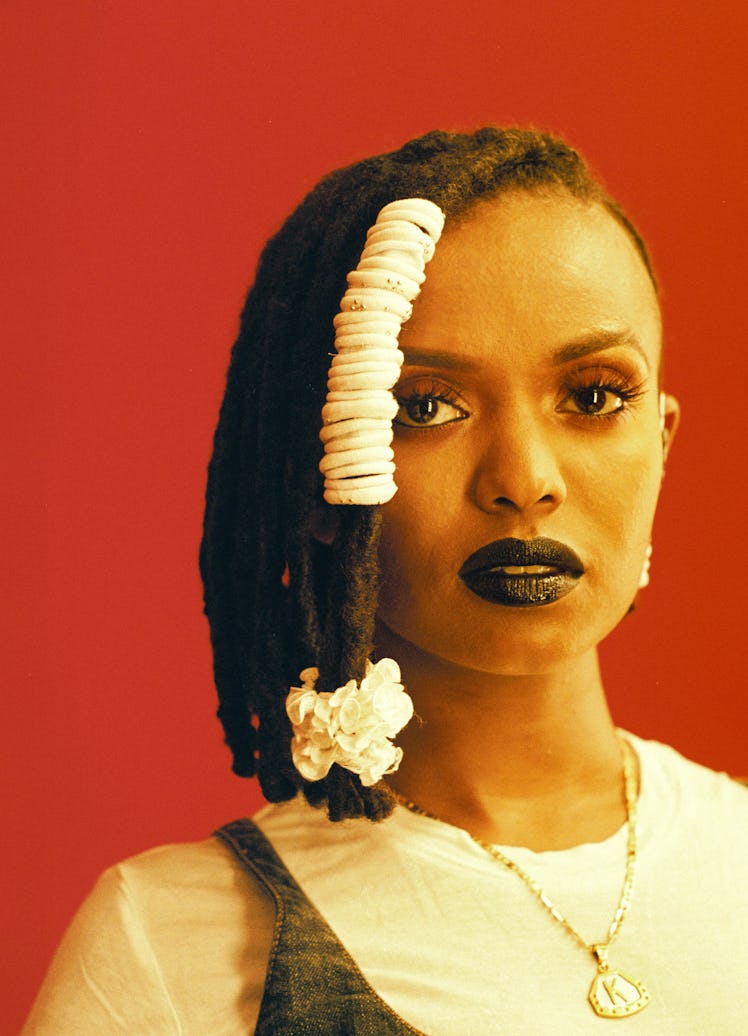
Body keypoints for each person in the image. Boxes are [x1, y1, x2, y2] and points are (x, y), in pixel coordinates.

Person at [24, 127, 748, 1034]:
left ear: (662, 443)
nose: (524, 478)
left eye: (595, 396)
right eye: (424, 408)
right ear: (320, 473)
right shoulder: (172, 951)